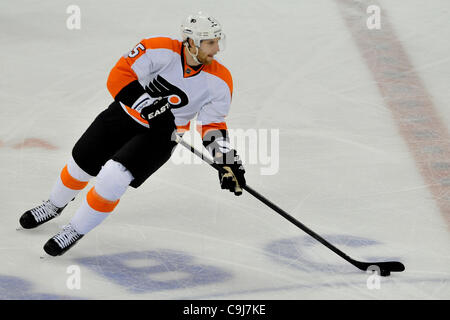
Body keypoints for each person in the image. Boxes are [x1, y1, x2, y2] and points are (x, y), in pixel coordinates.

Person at [19, 11, 246, 256]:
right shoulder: (158, 49)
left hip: (163, 134)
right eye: (210, 42)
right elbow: (119, 74)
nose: (217, 49)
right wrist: (146, 105)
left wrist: (226, 159)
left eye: (218, 41)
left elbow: (211, 124)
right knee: (81, 162)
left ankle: (75, 229)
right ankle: (54, 205)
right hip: (124, 114)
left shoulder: (220, 80)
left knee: (113, 177)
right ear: (191, 42)